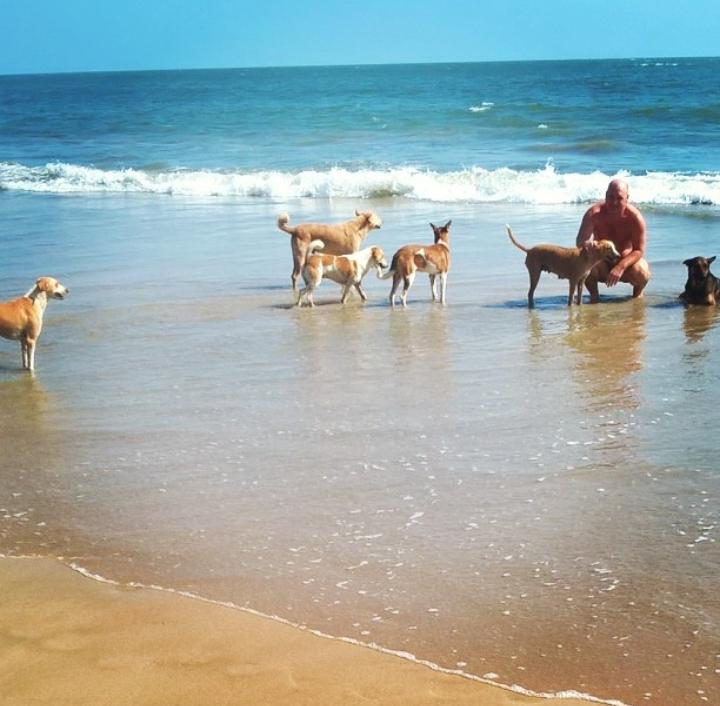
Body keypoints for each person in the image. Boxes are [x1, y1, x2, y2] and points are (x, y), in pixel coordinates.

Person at [576, 178, 650, 302]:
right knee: (584, 262)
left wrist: (620, 267)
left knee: (642, 271)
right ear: (606, 196)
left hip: (626, 263)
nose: (614, 202)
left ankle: (637, 296)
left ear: (627, 198)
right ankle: (594, 297)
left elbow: (639, 250)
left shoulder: (635, 218)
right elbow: (580, 241)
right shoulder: (594, 214)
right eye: (611, 197)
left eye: (619, 198)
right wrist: (589, 246)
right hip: (601, 263)